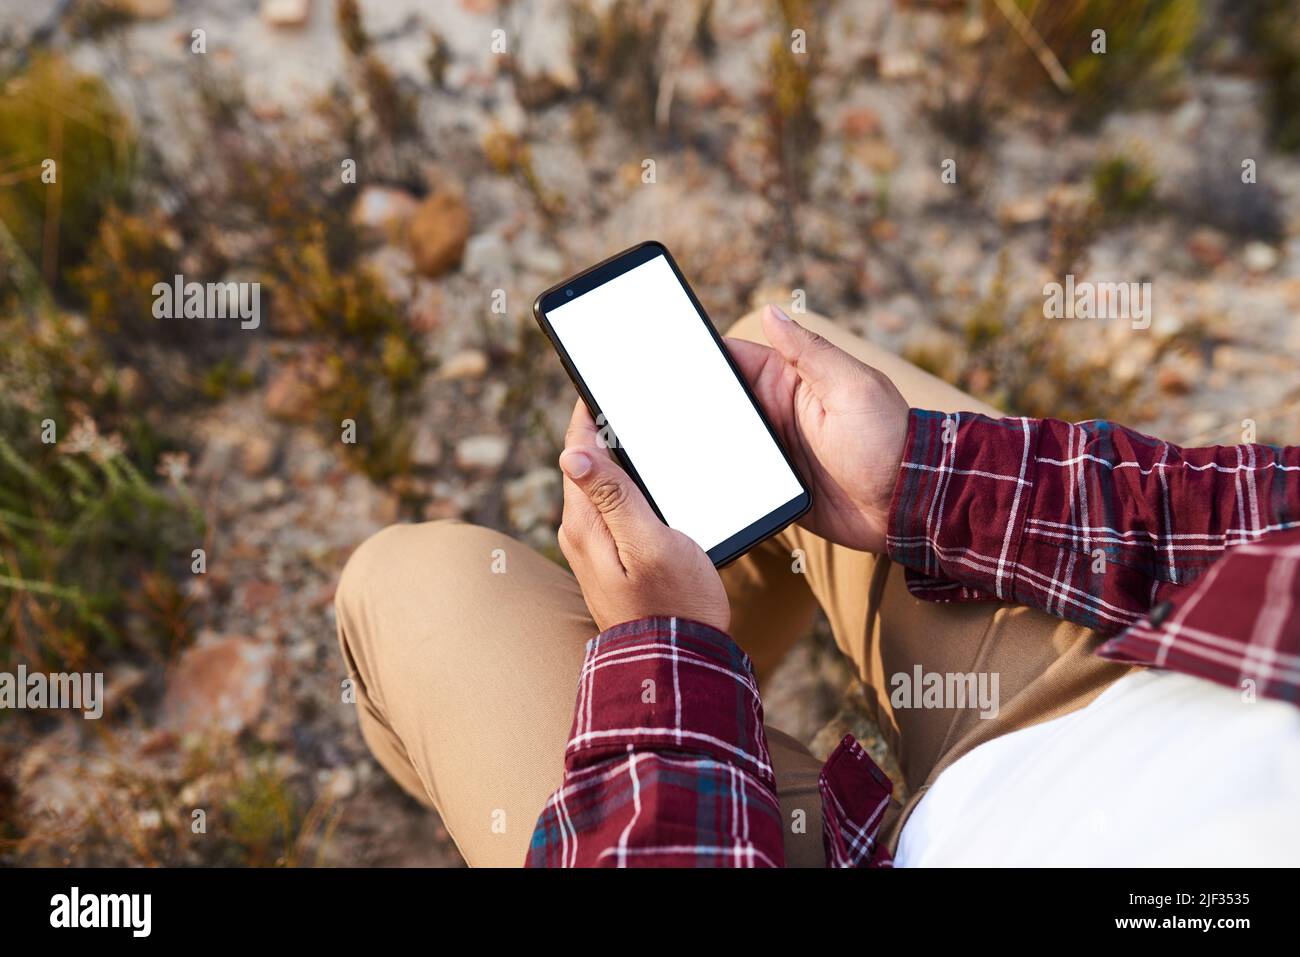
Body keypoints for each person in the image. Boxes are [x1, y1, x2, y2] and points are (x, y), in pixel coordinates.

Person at [335, 305, 1300, 867]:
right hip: (1144, 663)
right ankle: (680, 688)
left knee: (407, 582)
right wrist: (924, 478)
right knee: (766, 388)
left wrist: (667, 668)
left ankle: (652, 725)